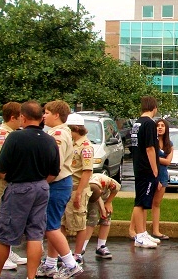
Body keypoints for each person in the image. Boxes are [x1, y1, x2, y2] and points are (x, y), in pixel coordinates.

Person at [0, 101, 60, 279]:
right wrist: (41, 181)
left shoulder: (14, 138)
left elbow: (1, 168)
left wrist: (13, 177)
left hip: (19, 187)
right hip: (42, 188)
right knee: (35, 234)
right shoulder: (50, 140)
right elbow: (54, 172)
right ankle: (31, 276)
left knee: (6, 234)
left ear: (23, 117)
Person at [36, 100, 82, 279]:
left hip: (56, 183)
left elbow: (54, 165)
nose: (43, 115)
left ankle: (71, 264)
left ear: (56, 115)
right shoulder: (58, 132)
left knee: (51, 226)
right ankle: (50, 263)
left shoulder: (58, 135)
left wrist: (43, 182)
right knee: (52, 224)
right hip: (59, 183)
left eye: (46, 112)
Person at [0, 102, 27, 270]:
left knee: (11, 218)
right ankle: (2, 257)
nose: (22, 120)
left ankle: (9, 251)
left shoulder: (12, 133)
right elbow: (0, 163)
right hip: (5, 182)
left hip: (11, 181)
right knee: (5, 218)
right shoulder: (3, 135)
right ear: (13, 117)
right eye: (20, 117)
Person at [60, 113, 94, 265]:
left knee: (79, 222)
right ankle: (64, 253)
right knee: (62, 222)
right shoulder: (72, 144)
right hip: (66, 188)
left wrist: (79, 193)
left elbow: (87, 171)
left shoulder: (85, 147)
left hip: (77, 188)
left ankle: (77, 253)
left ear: (74, 128)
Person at [130, 96, 160, 249]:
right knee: (141, 202)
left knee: (142, 200)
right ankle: (139, 235)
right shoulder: (149, 123)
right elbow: (150, 148)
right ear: (154, 107)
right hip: (146, 168)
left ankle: (142, 233)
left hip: (138, 165)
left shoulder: (137, 123)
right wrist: (155, 169)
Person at [82, 173, 120, 259]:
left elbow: (117, 188)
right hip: (93, 196)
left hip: (104, 195)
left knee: (106, 218)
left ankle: (101, 246)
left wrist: (108, 203)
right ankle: (82, 247)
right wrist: (102, 208)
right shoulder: (90, 183)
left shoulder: (109, 182)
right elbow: (97, 197)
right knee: (93, 218)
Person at [151, 118, 172, 239]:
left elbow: (168, 161)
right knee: (143, 203)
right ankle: (134, 230)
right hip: (151, 175)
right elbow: (148, 156)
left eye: (162, 126)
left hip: (163, 175)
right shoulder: (152, 142)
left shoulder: (169, 144)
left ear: (166, 128)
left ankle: (156, 231)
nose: (160, 127)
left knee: (157, 203)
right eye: (158, 125)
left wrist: (154, 158)